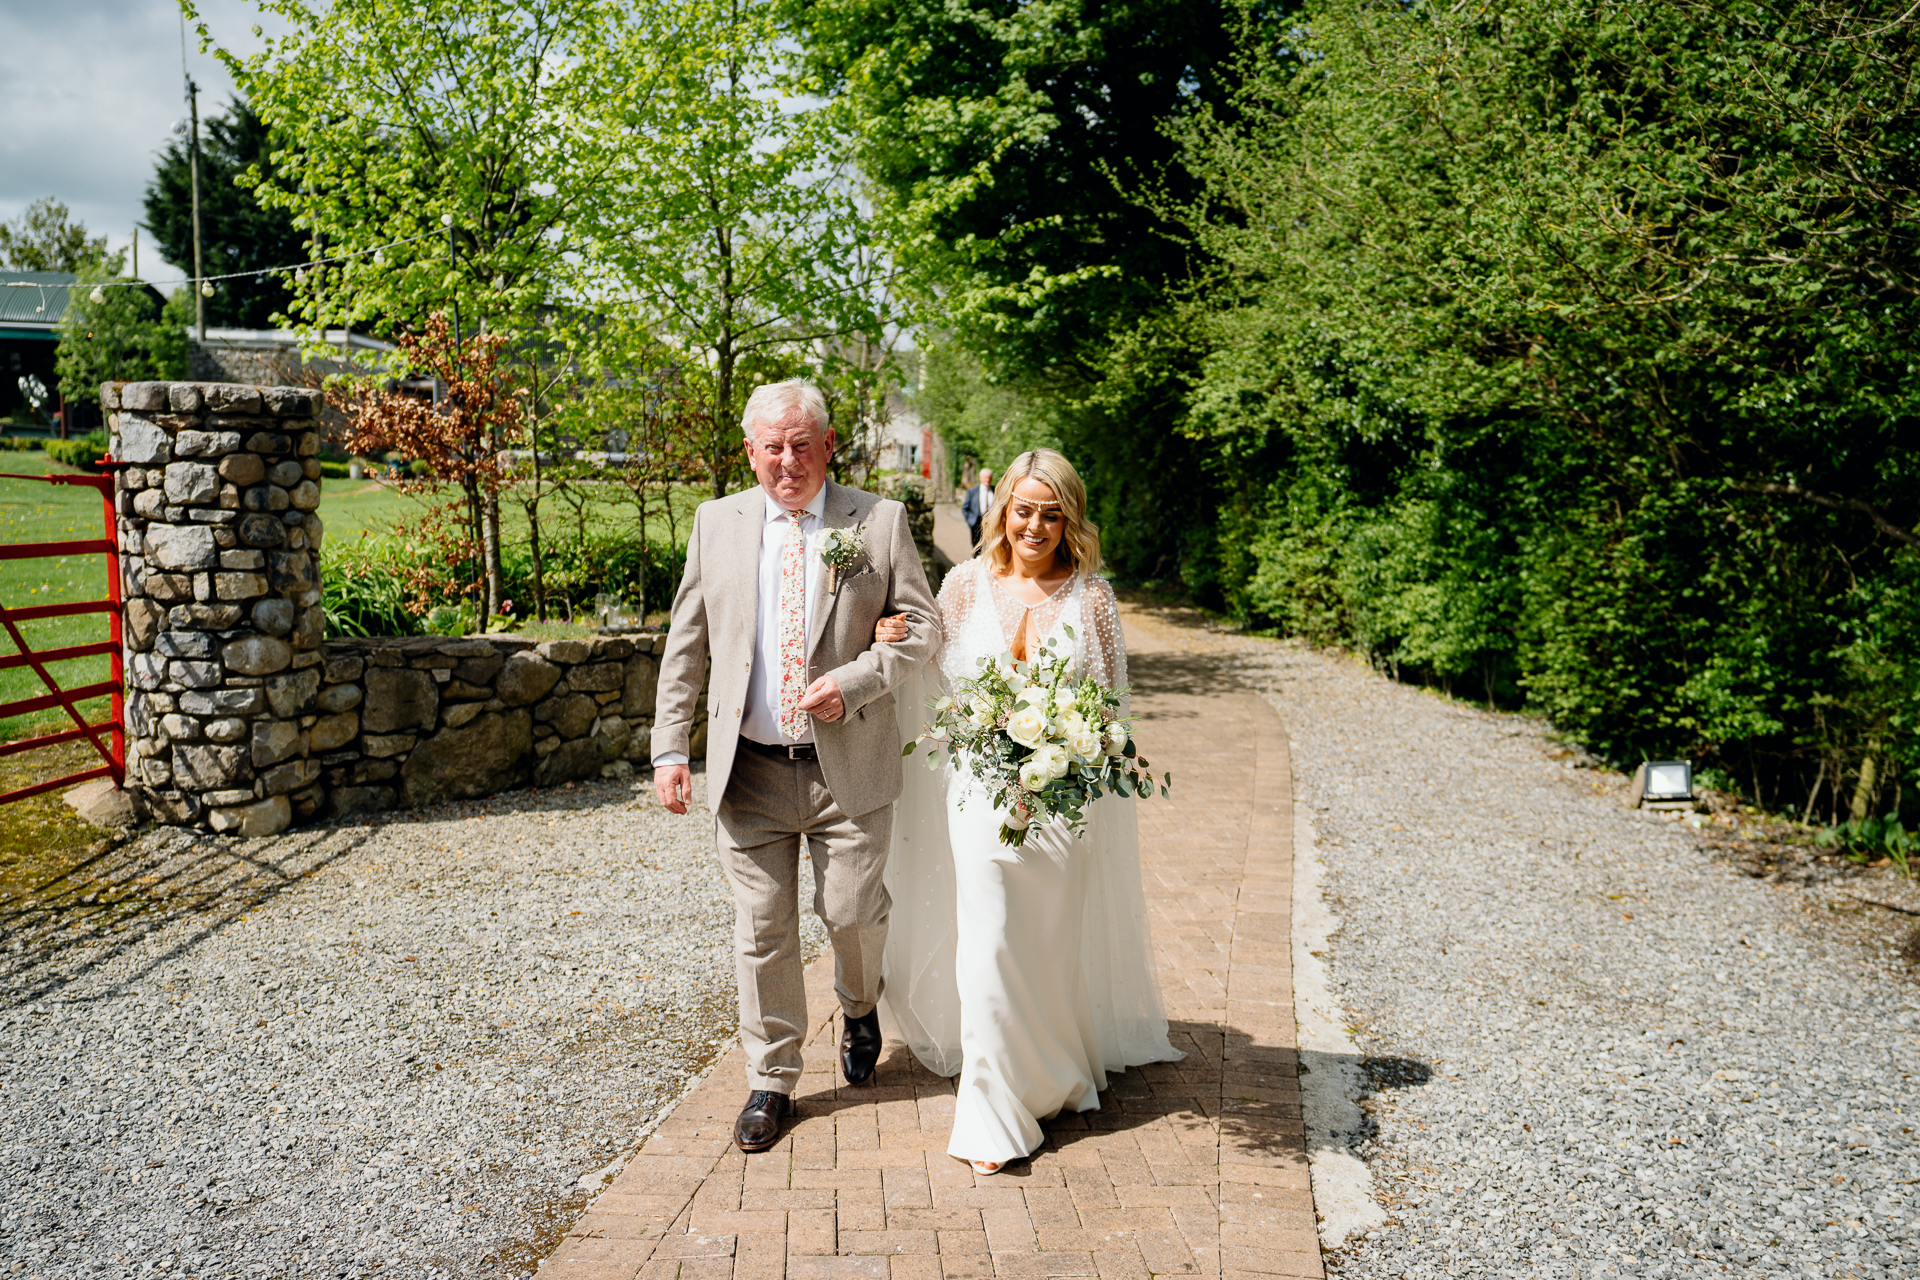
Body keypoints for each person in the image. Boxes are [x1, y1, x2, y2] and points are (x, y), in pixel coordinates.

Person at [651, 379, 941, 1153]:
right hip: (748, 773)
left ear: (828, 444)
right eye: (772, 446)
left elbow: (922, 627)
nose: (788, 460)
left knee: (849, 914)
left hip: (848, 767)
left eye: (801, 444)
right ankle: (772, 1078)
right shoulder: (717, 523)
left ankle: (858, 1003)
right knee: (761, 930)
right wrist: (671, 748)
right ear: (749, 451)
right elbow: (687, 644)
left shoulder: (877, 521)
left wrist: (855, 682)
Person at [871, 449, 1177, 1175]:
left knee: (1044, 943)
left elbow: (1110, 710)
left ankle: (1050, 1077)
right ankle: (991, 1111)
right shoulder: (966, 585)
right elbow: (929, 658)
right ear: (1002, 509)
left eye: (1051, 512)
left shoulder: (1092, 598)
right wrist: (893, 634)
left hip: (1060, 802)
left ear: (1069, 519)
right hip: (978, 794)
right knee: (990, 941)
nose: (1035, 525)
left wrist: (1081, 749)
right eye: (1023, 509)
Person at [961, 467, 994, 546]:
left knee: (990, 545)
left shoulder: (995, 490)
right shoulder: (972, 491)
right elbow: (965, 507)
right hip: (976, 522)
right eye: (986, 477)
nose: (987, 480)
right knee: (976, 546)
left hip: (991, 522)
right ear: (980, 478)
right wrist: (970, 520)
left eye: (989, 477)